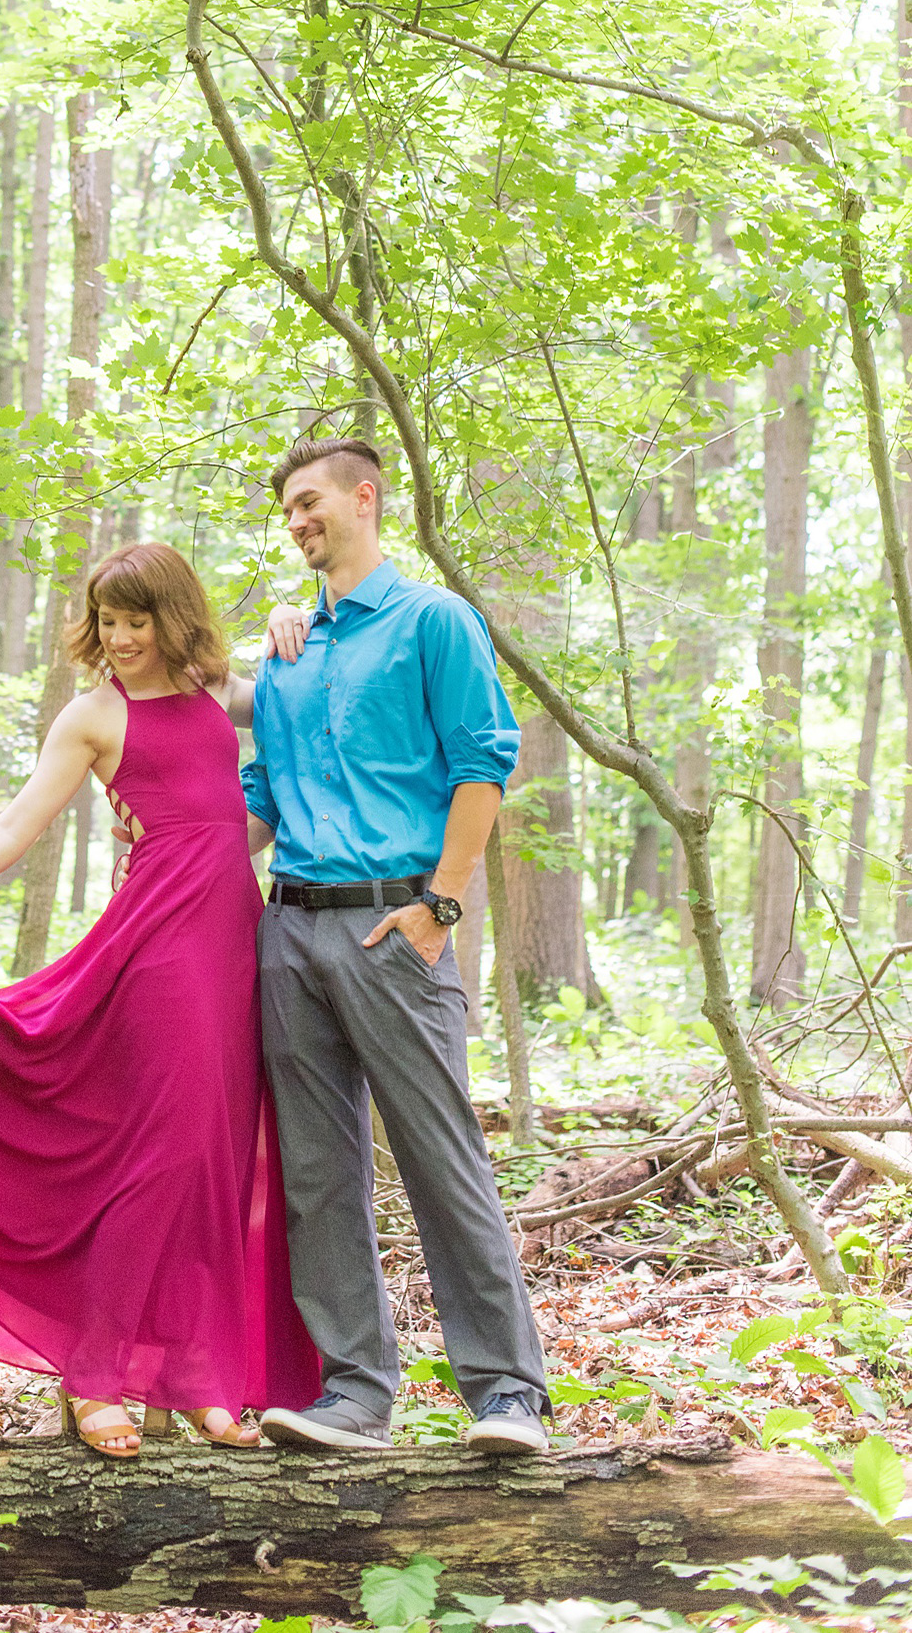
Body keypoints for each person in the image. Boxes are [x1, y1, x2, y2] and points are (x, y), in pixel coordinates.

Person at [0, 540, 320, 1461]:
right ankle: (96, 1373)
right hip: (158, 948)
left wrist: (298, 625)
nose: (119, 638)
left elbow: (301, 700)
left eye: (136, 620)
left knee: (216, 1158)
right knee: (163, 1154)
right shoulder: (93, 717)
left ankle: (200, 1373)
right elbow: (15, 823)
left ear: (172, 616)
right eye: (108, 621)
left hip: (238, 941)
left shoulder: (213, 691)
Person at [244, 435, 551, 1457]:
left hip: (394, 928)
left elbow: (479, 768)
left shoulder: (433, 621)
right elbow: (257, 801)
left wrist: (439, 908)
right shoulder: (284, 651)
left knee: (438, 1155)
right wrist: (157, 833)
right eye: (285, 509)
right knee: (316, 1171)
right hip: (288, 928)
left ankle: (507, 1393)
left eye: (309, 500)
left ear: (364, 497)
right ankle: (351, 1395)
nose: (296, 520)